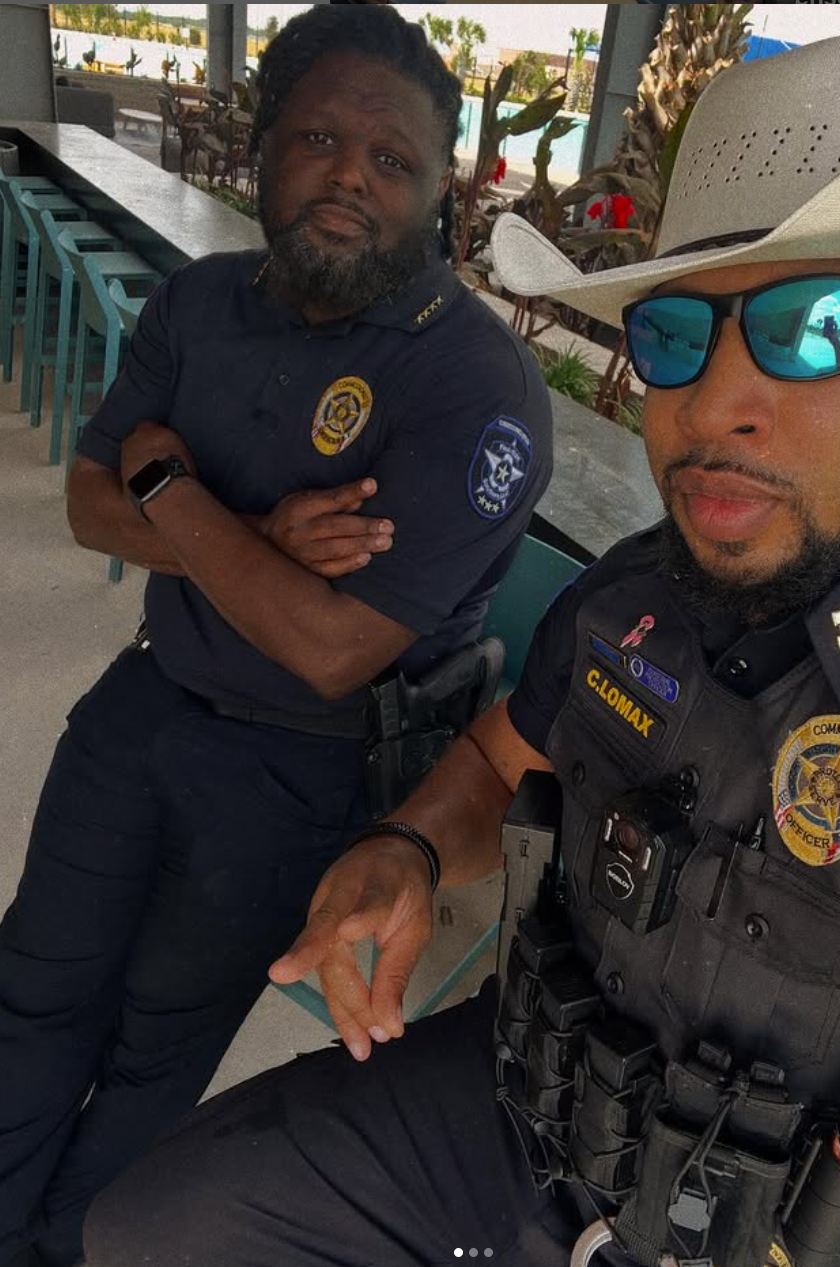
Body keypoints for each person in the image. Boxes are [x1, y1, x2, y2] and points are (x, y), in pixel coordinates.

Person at [84, 34, 840, 1267]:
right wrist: (404, 846)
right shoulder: (640, 595)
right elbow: (502, 767)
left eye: (814, 324)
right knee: (151, 1226)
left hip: (790, 1237)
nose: (711, 405)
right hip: (526, 1109)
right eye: (671, 338)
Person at [0, 8, 553, 1267]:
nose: (350, 172)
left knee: (154, 1044)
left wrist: (176, 493)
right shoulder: (199, 304)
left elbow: (329, 643)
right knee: (34, 987)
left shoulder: (475, 386)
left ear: (440, 196)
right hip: (147, 703)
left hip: (300, 767)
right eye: (318, 135)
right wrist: (244, 530)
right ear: (263, 149)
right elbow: (90, 497)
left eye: (392, 159)